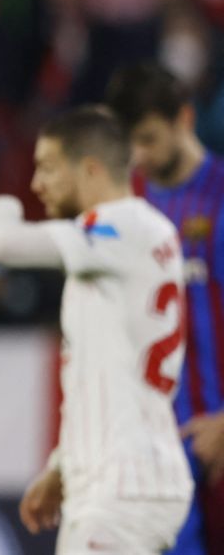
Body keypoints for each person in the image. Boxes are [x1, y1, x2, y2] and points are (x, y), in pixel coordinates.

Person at [0, 106, 192, 553]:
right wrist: (62, 467)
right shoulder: (130, 238)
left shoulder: (119, 227)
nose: (37, 184)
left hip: (123, 487)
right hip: (116, 481)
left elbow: (2, 244)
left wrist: (2, 201)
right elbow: (101, 371)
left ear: (91, 169)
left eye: (48, 168)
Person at [105, 63, 224, 555]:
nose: (139, 156)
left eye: (150, 139)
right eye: (129, 143)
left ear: (185, 119)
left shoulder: (219, 199)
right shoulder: (125, 208)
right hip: (157, 454)